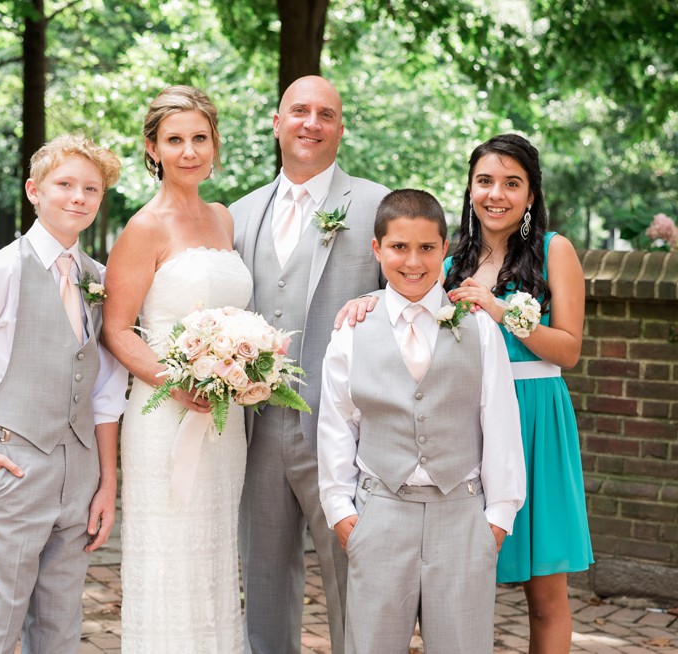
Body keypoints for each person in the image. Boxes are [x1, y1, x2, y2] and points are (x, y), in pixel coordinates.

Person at [0, 133, 127, 653]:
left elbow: (104, 391)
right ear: (35, 191)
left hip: (79, 475)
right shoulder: (2, 270)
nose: (78, 197)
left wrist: (106, 482)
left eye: (91, 189)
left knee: (60, 626)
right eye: (65, 185)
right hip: (13, 465)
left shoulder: (98, 279)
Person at [318, 189, 526, 653]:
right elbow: (338, 424)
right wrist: (342, 512)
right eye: (398, 247)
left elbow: (499, 423)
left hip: (462, 517)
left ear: (446, 248)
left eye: (427, 248)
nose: (413, 261)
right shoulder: (353, 330)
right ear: (377, 249)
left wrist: (497, 518)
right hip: (379, 514)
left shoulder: (478, 327)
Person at [230, 75, 390, 653]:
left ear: (340, 129)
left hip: (345, 432)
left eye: (326, 114)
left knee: (354, 576)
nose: (311, 123)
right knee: (265, 581)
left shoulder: (376, 206)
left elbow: (414, 303)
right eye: (299, 111)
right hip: (257, 428)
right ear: (277, 123)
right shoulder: (240, 214)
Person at [101, 85, 251, 652]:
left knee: (214, 550)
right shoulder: (145, 228)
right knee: (170, 553)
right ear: (153, 148)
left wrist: (237, 364)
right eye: (175, 140)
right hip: (165, 412)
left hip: (223, 414)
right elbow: (116, 330)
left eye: (199, 138)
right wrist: (179, 383)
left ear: (214, 144)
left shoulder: (223, 218)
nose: (189, 151)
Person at [444, 134, 593, 653]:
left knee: (544, 592)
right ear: (469, 189)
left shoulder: (556, 251)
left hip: (534, 422)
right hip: (467, 425)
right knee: (457, 583)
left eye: (512, 183)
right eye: (485, 181)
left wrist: (501, 309)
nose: (496, 194)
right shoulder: (449, 261)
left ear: (530, 196)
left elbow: (568, 350)